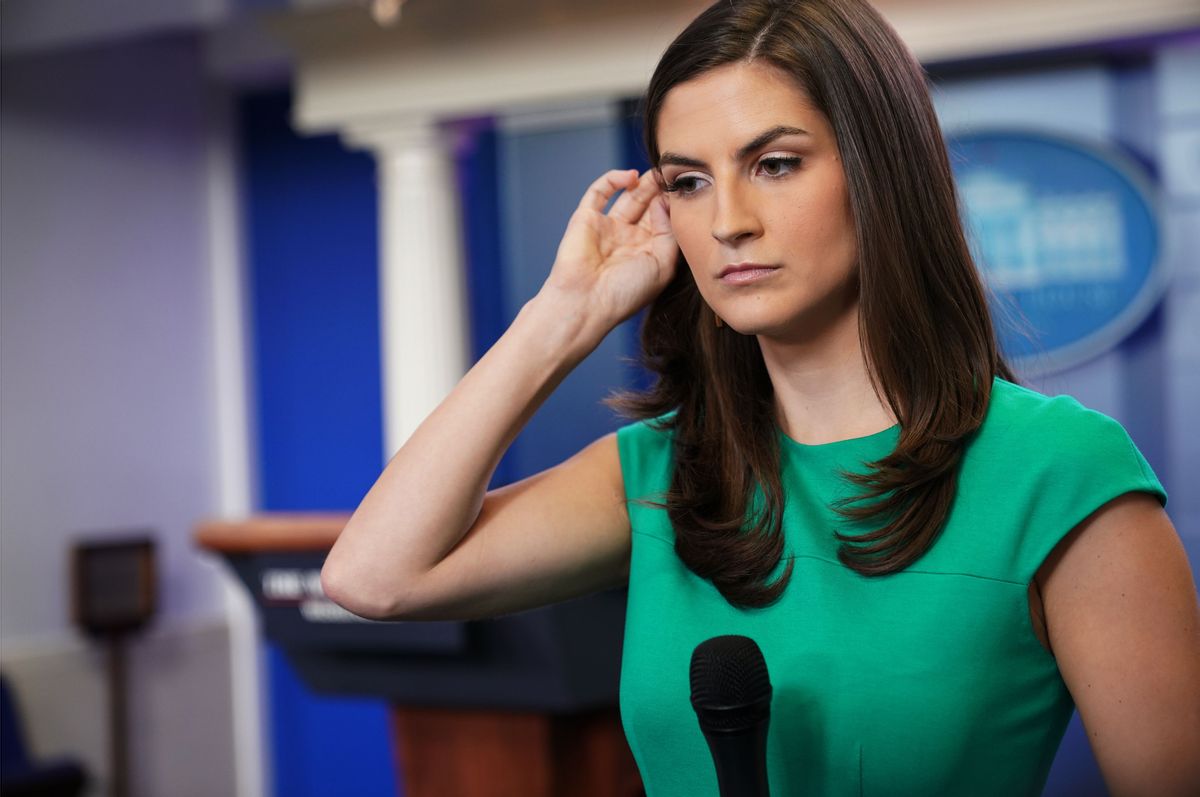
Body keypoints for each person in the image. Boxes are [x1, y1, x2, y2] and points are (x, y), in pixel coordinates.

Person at [321, 0, 1200, 793]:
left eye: (774, 163)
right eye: (689, 182)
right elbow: (374, 576)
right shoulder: (666, 470)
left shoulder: (1059, 471)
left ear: (877, 173)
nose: (728, 219)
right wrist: (563, 315)